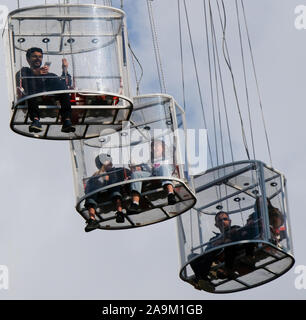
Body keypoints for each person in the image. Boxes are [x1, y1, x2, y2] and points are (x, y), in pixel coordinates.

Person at [16, 47, 75, 133]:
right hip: (33, 98)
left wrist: (64, 70)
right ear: (28, 59)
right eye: (34, 56)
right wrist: (36, 73)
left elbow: (65, 84)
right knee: (31, 91)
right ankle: (35, 120)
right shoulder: (25, 71)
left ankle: (66, 119)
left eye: (40, 57)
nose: (38, 59)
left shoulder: (49, 75)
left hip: (49, 99)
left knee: (63, 90)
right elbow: (20, 77)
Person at [189, 211, 242, 292]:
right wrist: (217, 243)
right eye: (220, 220)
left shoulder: (236, 228)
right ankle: (203, 279)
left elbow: (239, 236)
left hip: (230, 257)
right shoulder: (213, 239)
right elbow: (206, 252)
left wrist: (222, 241)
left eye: (225, 219)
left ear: (229, 221)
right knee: (192, 256)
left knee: (219, 248)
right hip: (214, 260)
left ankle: (199, 279)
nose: (223, 222)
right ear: (216, 225)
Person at [128, 139, 176, 214]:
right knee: (136, 174)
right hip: (153, 175)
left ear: (162, 148)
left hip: (163, 173)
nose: (154, 148)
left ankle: (171, 194)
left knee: (163, 167)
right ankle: (135, 203)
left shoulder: (168, 158)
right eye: (153, 146)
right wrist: (136, 167)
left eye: (156, 146)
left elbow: (172, 167)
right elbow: (145, 168)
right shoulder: (150, 161)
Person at [84, 153, 125, 232]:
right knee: (90, 194)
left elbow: (126, 176)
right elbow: (88, 188)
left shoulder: (117, 171)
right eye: (107, 161)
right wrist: (99, 180)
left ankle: (120, 213)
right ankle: (92, 220)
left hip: (114, 193)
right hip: (100, 197)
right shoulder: (95, 175)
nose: (110, 163)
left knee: (115, 187)